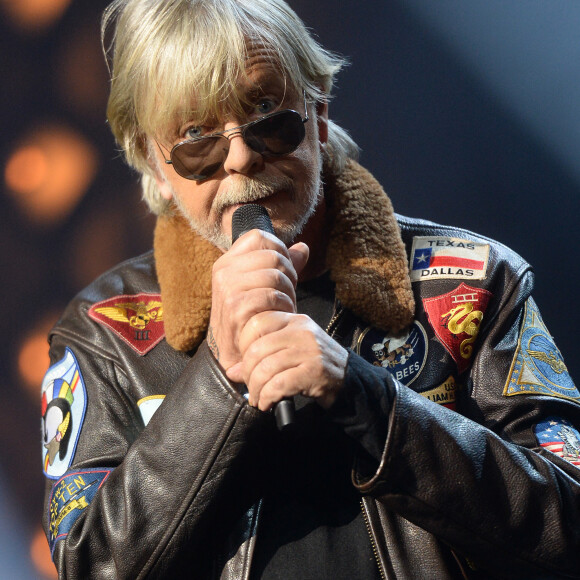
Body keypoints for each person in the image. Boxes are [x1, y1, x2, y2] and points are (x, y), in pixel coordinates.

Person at [40, 0, 580, 577]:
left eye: (267, 111)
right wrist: (221, 377)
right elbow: (89, 564)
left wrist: (365, 398)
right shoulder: (105, 332)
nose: (243, 157)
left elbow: (567, 523)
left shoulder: (474, 278)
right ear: (155, 165)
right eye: (197, 135)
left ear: (318, 113)